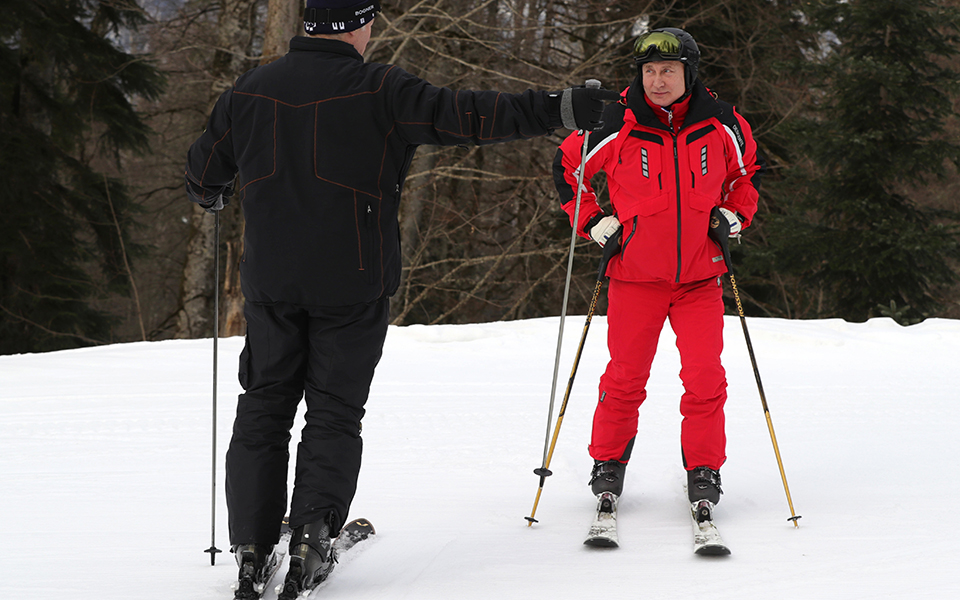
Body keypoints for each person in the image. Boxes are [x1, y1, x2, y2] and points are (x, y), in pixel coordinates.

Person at [184, 1, 617, 597]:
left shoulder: (252, 90)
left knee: (264, 406)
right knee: (333, 411)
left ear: (306, 25)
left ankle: (253, 546)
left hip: (272, 284)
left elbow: (205, 170)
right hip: (352, 284)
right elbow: (468, 115)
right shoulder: (379, 87)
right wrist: (561, 110)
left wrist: (213, 191)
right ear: (360, 26)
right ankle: (311, 537)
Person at [553, 28, 763, 523]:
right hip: (634, 279)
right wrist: (593, 222)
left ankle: (705, 470)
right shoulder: (615, 121)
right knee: (625, 378)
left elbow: (745, 174)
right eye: (649, 70)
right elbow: (568, 168)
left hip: (698, 279)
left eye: (668, 70)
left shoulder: (723, 123)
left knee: (706, 379)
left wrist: (734, 215)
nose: (657, 79)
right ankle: (608, 464)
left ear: (688, 72)